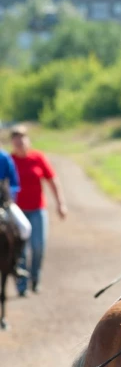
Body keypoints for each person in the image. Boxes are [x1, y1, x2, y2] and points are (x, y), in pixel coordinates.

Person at [10, 125, 67, 296]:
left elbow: (52, 180)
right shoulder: (9, 160)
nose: (20, 142)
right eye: (16, 139)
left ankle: (35, 278)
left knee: (38, 246)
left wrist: (60, 203)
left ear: (28, 140)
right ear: (12, 142)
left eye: (22, 138)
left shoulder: (38, 158)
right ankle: (22, 284)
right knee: (20, 249)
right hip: (17, 212)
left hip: (37, 210)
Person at [0, 146, 32, 259]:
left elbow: (14, 184)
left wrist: (7, 196)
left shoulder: (4, 158)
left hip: (4, 202)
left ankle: (16, 262)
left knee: (25, 227)